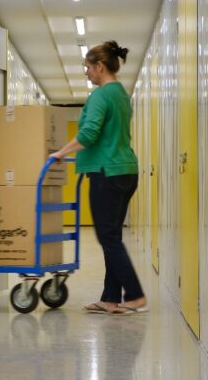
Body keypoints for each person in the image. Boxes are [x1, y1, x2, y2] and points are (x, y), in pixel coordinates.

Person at [49, 40, 148, 315]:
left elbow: (89, 134)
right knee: (112, 236)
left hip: (107, 173)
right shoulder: (120, 95)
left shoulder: (101, 96)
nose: (87, 73)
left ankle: (136, 294)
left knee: (108, 237)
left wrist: (60, 152)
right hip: (126, 171)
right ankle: (110, 299)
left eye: (88, 68)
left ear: (100, 66)